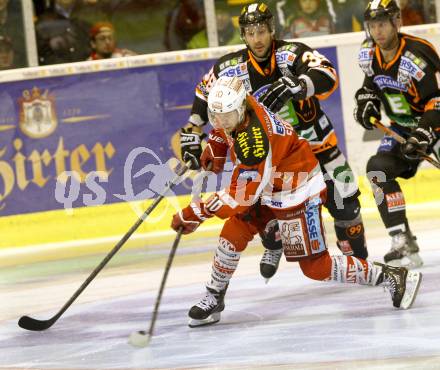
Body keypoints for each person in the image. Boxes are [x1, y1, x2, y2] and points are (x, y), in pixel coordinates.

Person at [171, 75, 422, 327]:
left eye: (225, 116)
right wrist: (213, 146)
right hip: (268, 183)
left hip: (297, 191)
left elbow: (241, 196)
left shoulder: (255, 141)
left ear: (240, 109)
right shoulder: (239, 103)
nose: (220, 121)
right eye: (216, 116)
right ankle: (215, 295)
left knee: (316, 268)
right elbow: (222, 123)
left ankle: (391, 277)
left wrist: (195, 212)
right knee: (233, 232)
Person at [179, 2, 369, 282]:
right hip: (275, 159)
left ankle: (357, 262)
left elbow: (328, 75)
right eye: (250, 32)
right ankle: (274, 239)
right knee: (261, 207)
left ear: (271, 30)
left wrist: (299, 84)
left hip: (320, 147)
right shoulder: (231, 67)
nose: (257, 38)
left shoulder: (292, 54)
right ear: (243, 35)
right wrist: (193, 129)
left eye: (261, 30)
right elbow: (204, 92)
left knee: (347, 202)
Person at [354, 0, 439, 268]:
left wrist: (425, 133)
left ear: (396, 22)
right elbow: (370, 85)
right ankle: (401, 239)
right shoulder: (369, 53)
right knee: (377, 170)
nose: (377, 31)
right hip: (403, 129)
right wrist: (365, 102)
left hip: (434, 124)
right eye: (373, 25)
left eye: (382, 24)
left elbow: (437, 101)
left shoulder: (417, 52)